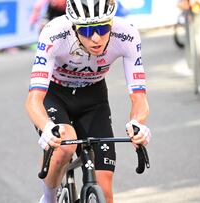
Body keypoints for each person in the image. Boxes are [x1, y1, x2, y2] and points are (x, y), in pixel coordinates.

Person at [25, 0, 151, 202]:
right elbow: (33, 100)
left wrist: (138, 123)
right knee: (64, 145)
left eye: (102, 28)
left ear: (111, 22)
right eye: (86, 31)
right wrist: (46, 127)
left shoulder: (127, 34)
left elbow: (139, 96)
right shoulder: (54, 33)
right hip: (55, 94)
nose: (96, 38)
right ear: (74, 27)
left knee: (105, 190)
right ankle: (49, 198)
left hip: (93, 97)